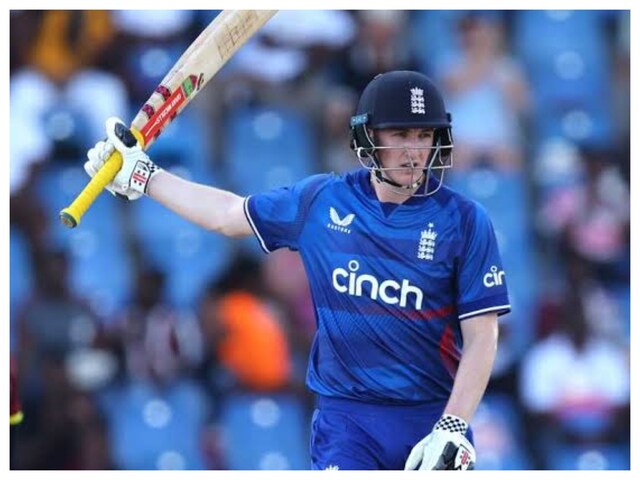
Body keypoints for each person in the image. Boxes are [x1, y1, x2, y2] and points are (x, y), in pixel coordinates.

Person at [84, 70, 510, 470]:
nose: (414, 151)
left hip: (432, 417)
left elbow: (482, 335)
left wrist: (453, 424)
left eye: (424, 135)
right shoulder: (322, 201)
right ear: (369, 135)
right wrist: (146, 176)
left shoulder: (465, 221)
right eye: (400, 134)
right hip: (347, 422)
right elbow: (227, 215)